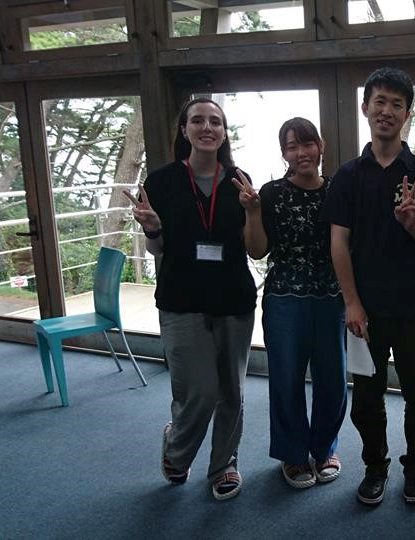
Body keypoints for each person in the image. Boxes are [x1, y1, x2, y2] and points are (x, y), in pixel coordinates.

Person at [321, 67, 415, 506]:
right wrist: (352, 303)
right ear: (365, 108)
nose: (387, 111)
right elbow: (338, 243)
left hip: (413, 308)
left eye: (397, 104)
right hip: (365, 312)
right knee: (366, 401)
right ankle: (375, 467)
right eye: (380, 101)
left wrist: (414, 226)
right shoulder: (347, 176)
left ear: (408, 113)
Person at [124, 97, 258, 501]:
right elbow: (158, 248)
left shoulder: (239, 181)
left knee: (231, 390)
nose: (207, 127)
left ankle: (224, 464)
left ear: (224, 133)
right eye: (197, 120)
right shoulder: (161, 182)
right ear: (184, 130)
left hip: (233, 297)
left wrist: (253, 211)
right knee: (198, 389)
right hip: (181, 298)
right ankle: (178, 447)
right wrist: (152, 229)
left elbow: (251, 245)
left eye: (215, 121)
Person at [232, 117, 347, 489]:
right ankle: (294, 455)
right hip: (284, 298)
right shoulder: (271, 193)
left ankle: (325, 449)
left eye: (307, 144)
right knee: (286, 379)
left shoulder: (338, 190)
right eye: (291, 147)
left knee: (333, 379)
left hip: (331, 297)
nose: (301, 153)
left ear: (320, 146)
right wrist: (252, 212)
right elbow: (257, 250)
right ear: (284, 153)